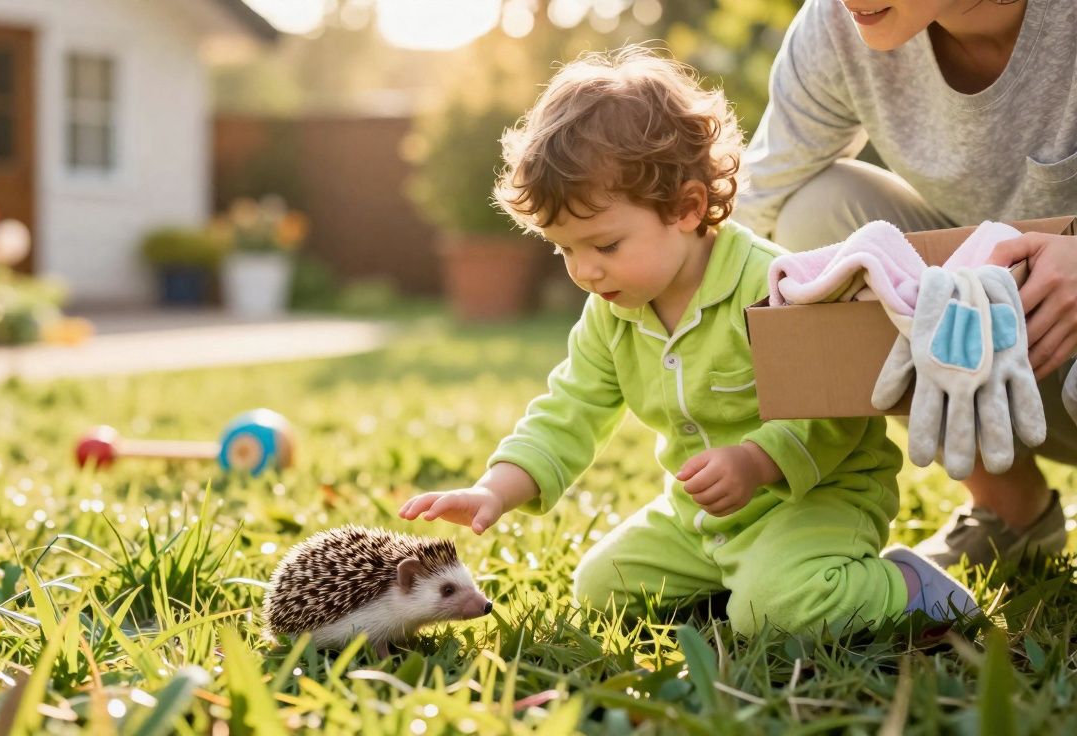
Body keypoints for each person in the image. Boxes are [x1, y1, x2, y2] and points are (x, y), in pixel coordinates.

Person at [398, 47, 978, 635]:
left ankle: (905, 585)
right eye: (563, 249)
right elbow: (569, 410)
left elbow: (835, 409)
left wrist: (755, 461)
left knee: (774, 611)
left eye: (604, 246)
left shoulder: (773, 284)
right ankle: (739, 583)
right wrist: (495, 488)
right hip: (701, 516)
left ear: (686, 207)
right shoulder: (611, 313)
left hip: (811, 501)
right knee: (600, 588)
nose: (584, 272)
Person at [737, 0, 1077, 569]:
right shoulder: (837, 26)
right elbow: (753, 208)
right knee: (815, 212)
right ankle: (1012, 513)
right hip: (998, 365)